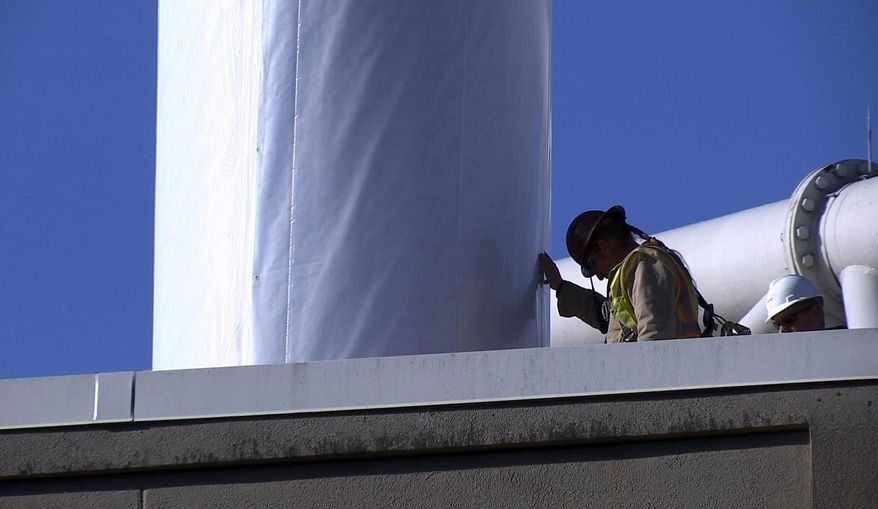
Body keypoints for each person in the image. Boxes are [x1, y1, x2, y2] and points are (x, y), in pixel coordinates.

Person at [539, 205, 703, 343]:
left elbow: (654, 332)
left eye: (592, 266)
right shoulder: (636, 269)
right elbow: (606, 316)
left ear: (603, 247)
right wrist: (560, 287)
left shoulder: (644, 264)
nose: (599, 276)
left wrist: (644, 378)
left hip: (659, 374)